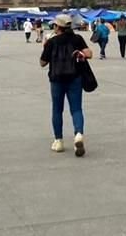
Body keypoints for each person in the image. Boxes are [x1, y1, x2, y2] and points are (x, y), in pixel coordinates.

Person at [39, 14, 92, 157]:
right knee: (76, 109)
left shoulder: (52, 41)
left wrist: (45, 47)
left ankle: (59, 141)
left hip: (57, 79)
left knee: (57, 110)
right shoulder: (77, 39)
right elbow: (89, 54)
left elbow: (42, 63)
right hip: (75, 77)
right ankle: (78, 134)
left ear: (58, 27)